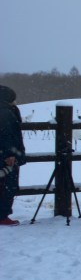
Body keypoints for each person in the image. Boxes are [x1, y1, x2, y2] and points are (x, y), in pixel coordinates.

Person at [0, 85, 26, 226]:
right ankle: (2, 216)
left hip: (6, 154)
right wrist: (10, 154)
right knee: (7, 186)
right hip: (7, 157)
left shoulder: (7, 111)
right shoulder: (5, 112)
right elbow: (6, 135)